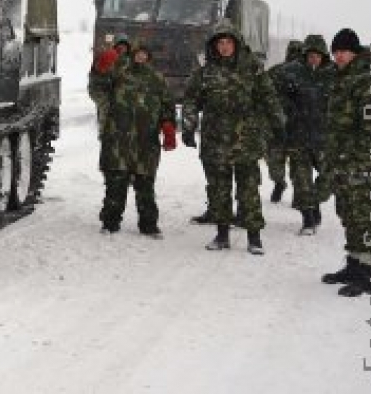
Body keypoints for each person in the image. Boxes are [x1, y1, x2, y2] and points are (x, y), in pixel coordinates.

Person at [182, 21, 285, 254]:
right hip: (214, 141)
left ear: (236, 44)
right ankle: (221, 235)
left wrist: (279, 124)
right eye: (220, 43)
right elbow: (191, 100)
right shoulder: (205, 72)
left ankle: (254, 237)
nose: (225, 47)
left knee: (248, 189)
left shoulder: (252, 68)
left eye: (229, 42)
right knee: (219, 189)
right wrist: (188, 126)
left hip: (246, 141)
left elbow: (269, 97)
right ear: (214, 45)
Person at [321, 28, 371, 297]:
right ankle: (353, 265)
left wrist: (352, 155)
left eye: (343, 51)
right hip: (343, 161)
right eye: (335, 52)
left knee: (365, 216)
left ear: (355, 51)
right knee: (349, 213)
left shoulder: (370, 82)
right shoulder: (341, 81)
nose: (338, 56)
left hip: (363, 162)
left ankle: (367, 275)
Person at [94, 41, 176, 237]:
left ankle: (149, 225)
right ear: (132, 55)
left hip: (146, 141)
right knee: (116, 183)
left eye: (144, 54)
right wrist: (100, 67)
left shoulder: (157, 79)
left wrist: (168, 125)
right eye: (138, 53)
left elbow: (167, 105)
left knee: (145, 185)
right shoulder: (118, 75)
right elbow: (98, 86)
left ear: (149, 57)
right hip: (118, 140)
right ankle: (110, 222)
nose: (141, 57)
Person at [278, 34, 332, 235]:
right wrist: (288, 102)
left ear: (324, 56)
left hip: (325, 138)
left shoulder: (334, 74)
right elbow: (274, 97)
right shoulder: (289, 72)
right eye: (310, 55)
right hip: (297, 136)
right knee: (301, 180)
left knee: (330, 177)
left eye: (318, 55)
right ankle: (308, 219)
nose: (314, 59)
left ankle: (315, 201)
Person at [266, 39, 303, 203]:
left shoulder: (309, 75)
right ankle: (279, 183)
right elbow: (264, 93)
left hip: (298, 127)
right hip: (277, 125)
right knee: (275, 162)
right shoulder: (275, 72)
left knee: (298, 166)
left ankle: (298, 194)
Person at [88, 33, 131, 135]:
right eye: (120, 46)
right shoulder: (109, 55)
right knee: (106, 106)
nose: (122, 48)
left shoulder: (128, 60)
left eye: (124, 46)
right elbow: (100, 73)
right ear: (115, 46)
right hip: (100, 90)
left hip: (116, 91)